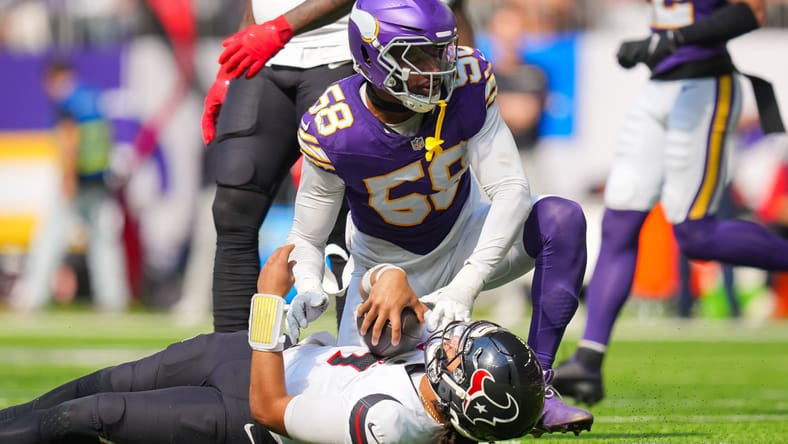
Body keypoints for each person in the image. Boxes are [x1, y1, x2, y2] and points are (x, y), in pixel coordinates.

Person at [283, 0, 593, 435]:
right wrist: (309, 284)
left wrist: (468, 283)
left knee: (561, 219)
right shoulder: (335, 126)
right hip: (385, 276)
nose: (438, 69)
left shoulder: (467, 80)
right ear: (371, 54)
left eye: (441, 51)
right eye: (419, 57)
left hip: (463, 235)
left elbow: (510, 189)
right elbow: (307, 236)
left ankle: (538, 385)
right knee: (373, 404)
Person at [0, 244, 547, 443]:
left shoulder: (393, 423)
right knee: (93, 385)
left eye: (459, 356)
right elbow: (381, 302)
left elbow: (270, 408)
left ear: (465, 395)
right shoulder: (433, 383)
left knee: (89, 415)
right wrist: (389, 278)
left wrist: (267, 302)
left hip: (244, 410)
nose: (450, 344)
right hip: (257, 355)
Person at [552, 0, 788, 406]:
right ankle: (588, 360)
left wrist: (676, 38)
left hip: (705, 86)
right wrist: (656, 41)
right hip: (657, 88)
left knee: (696, 235)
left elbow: (752, 12)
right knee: (619, 223)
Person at [204, 0, 474, 333]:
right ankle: (232, 350)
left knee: (345, 220)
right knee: (233, 209)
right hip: (265, 57)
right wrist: (231, 66)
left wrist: (281, 27)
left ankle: (361, 345)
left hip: (340, 53)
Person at [10, 59, 129, 313]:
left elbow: (69, 140)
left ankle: (33, 297)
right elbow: (108, 137)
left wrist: (68, 177)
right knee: (104, 243)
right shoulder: (93, 97)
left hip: (76, 180)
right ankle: (113, 300)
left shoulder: (68, 101)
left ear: (55, 77)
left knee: (50, 239)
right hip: (98, 180)